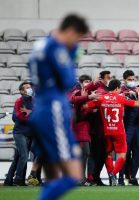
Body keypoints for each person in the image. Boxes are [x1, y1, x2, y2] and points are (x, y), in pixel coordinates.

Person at [29, 14, 89, 200]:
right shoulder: (57, 49)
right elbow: (68, 80)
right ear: (71, 31)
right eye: (77, 37)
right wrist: (71, 56)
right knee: (73, 175)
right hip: (53, 110)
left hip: (40, 109)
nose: (76, 42)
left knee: (53, 177)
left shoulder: (40, 45)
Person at [85, 79, 139, 186]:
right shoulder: (120, 98)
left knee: (109, 154)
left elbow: (86, 106)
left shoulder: (101, 98)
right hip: (119, 131)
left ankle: (112, 177)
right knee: (122, 156)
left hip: (106, 131)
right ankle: (113, 174)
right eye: (119, 88)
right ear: (116, 88)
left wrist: (93, 106)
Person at [4, 82, 34, 186]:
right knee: (24, 156)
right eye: (26, 88)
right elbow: (17, 117)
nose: (29, 89)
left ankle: (9, 180)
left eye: (30, 87)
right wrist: (30, 115)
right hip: (20, 132)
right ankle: (18, 179)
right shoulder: (19, 101)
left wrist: (29, 113)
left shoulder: (34, 101)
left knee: (19, 157)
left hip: (29, 133)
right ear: (21, 91)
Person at [84, 71, 110, 186]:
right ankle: (92, 177)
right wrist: (91, 109)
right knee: (97, 154)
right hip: (97, 129)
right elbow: (87, 105)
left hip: (104, 129)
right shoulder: (100, 90)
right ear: (102, 79)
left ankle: (96, 177)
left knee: (102, 154)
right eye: (107, 77)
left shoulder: (106, 90)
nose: (109, 79)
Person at [69, 74, 94, 185]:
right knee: (83, 153)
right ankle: (79, 178)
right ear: (80, 82)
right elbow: (72, 100)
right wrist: (87, 100)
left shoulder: (88, 94)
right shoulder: (78, 93)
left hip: (85, 128)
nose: (87, 83)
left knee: (84, 154)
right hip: (78, 128)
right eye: (85, 81)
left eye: (89, 81)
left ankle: (81, 178)